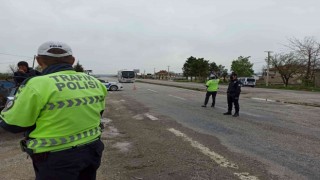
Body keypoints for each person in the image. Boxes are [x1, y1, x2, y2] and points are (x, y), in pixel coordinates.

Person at [0, 41, 107, 180]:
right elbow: (99, 113)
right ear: (72, 60)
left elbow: (13, 124)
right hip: (93, 149)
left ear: (38, 60)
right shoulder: (94, 82)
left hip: (55, 158)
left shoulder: (36, 84)